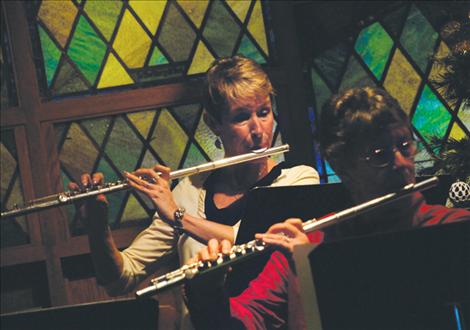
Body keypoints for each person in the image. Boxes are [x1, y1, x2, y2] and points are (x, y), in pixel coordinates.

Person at [185, 87, 470, 330]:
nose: (402, 164)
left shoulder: (455, 229)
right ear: (342, 167)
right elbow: (247, 320)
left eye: (405, 146)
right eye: (380, 155)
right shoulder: (309, 242)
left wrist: (319, 270)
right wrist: (208, 292)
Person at [70, 55, 319, 329]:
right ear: (214, 124)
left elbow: (260, 239)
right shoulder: (188, 192)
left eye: (264, 112)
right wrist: (97, 226)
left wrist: (179, 218)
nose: (258, 130)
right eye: (241, 117)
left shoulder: (298, 179)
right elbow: (120, 278)